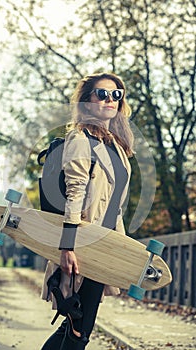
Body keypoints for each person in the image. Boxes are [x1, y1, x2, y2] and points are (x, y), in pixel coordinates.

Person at [40, 72, 134, 349]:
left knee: (76, 327)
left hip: (105, 246)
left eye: (116, 95)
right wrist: (67, 247)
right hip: (82, 244)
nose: (109, 100)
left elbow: (114, 205)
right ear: (86, 101)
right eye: (101, 94)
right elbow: (75, 193)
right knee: (79, 329)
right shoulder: (80, 138)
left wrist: (120, 248)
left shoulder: (116, 145)